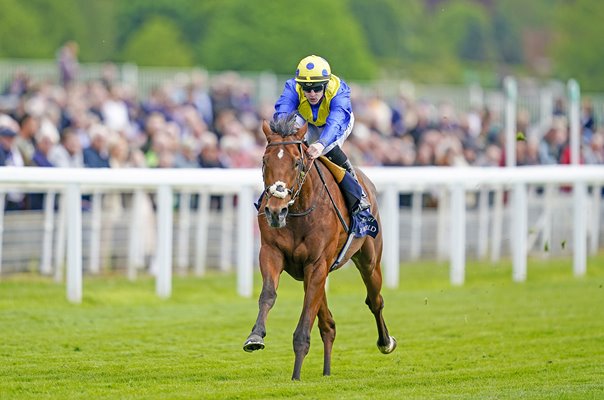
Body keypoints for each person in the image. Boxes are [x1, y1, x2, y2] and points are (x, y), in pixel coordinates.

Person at [273, 55, 369, 215]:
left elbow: (336, 122)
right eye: (307, 89)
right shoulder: (292, 87)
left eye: (317, 88)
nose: (312, 93)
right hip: (309, 119)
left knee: (328, 149)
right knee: (288, 142)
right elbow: (282, 114)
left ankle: (358, 194)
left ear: (325, 84)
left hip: (337, 123)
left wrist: (321, 143)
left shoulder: (338, 90)